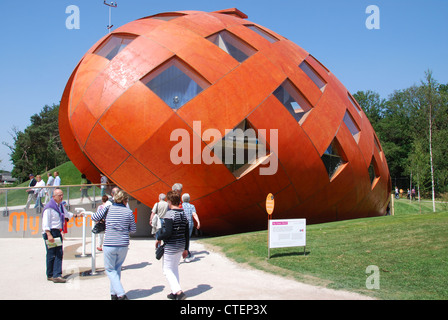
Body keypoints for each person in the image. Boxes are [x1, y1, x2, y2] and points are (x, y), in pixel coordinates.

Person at [92, 190, 136, 300]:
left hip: (110, 243)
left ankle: (121, 294)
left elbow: (94, 217)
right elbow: (133, 229)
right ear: (125, 201)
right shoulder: (129, 212)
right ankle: (113, 294)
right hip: (123, 244)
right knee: (117, 269)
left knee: (110, 270)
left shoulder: (108, 208)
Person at [42, 188, 82, 283]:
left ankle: (51, 274)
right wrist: (49, 234)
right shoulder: (49, 207)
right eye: (59, 195)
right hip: (51, 232)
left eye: (62, 194)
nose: (61, 197)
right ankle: (56, 275)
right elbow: (45, 222)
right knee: (56, 253)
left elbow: (66, 214)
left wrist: (77, 216)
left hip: (55, 232)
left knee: (53, 253)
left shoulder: (59, 206)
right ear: (53, 196)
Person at [157, 190, 189, 300]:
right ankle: (174, 291)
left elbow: (168, 232)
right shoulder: (183, 214)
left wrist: (158, 236)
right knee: (174, 268)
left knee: (167, 269)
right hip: (181, 245)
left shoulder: (169, 214)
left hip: (171, 246)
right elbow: (186, 233)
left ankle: (179, 292)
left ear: (169, 201)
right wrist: (186, 249)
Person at [181, 193, 200, 262]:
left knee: (182, 239)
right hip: (189, 224)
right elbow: (194, 214)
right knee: (187, 239)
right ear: (189, 199)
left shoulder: (181, 206)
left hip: (182, 224)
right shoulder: (192, 206)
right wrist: (198, 222)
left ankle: (184, 253)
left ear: (182, 199)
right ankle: (186, 254)